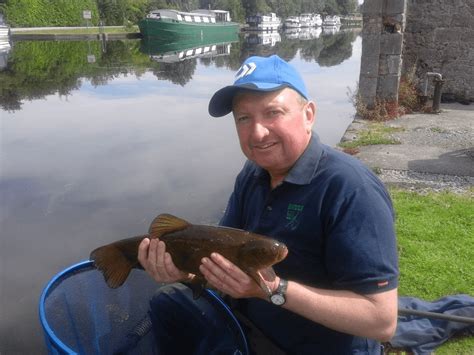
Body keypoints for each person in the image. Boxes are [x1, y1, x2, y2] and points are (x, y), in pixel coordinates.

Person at [138, 54, 399, 354]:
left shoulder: (351, 189)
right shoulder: (253, 173)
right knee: (166, 301)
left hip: (313, 347)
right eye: (244, 118)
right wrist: (185, 272)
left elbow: (381, 321)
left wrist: (274, 291)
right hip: (249, 325)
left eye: (273, 112)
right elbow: (223, 263)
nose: (258, 133)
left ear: (309, 114)